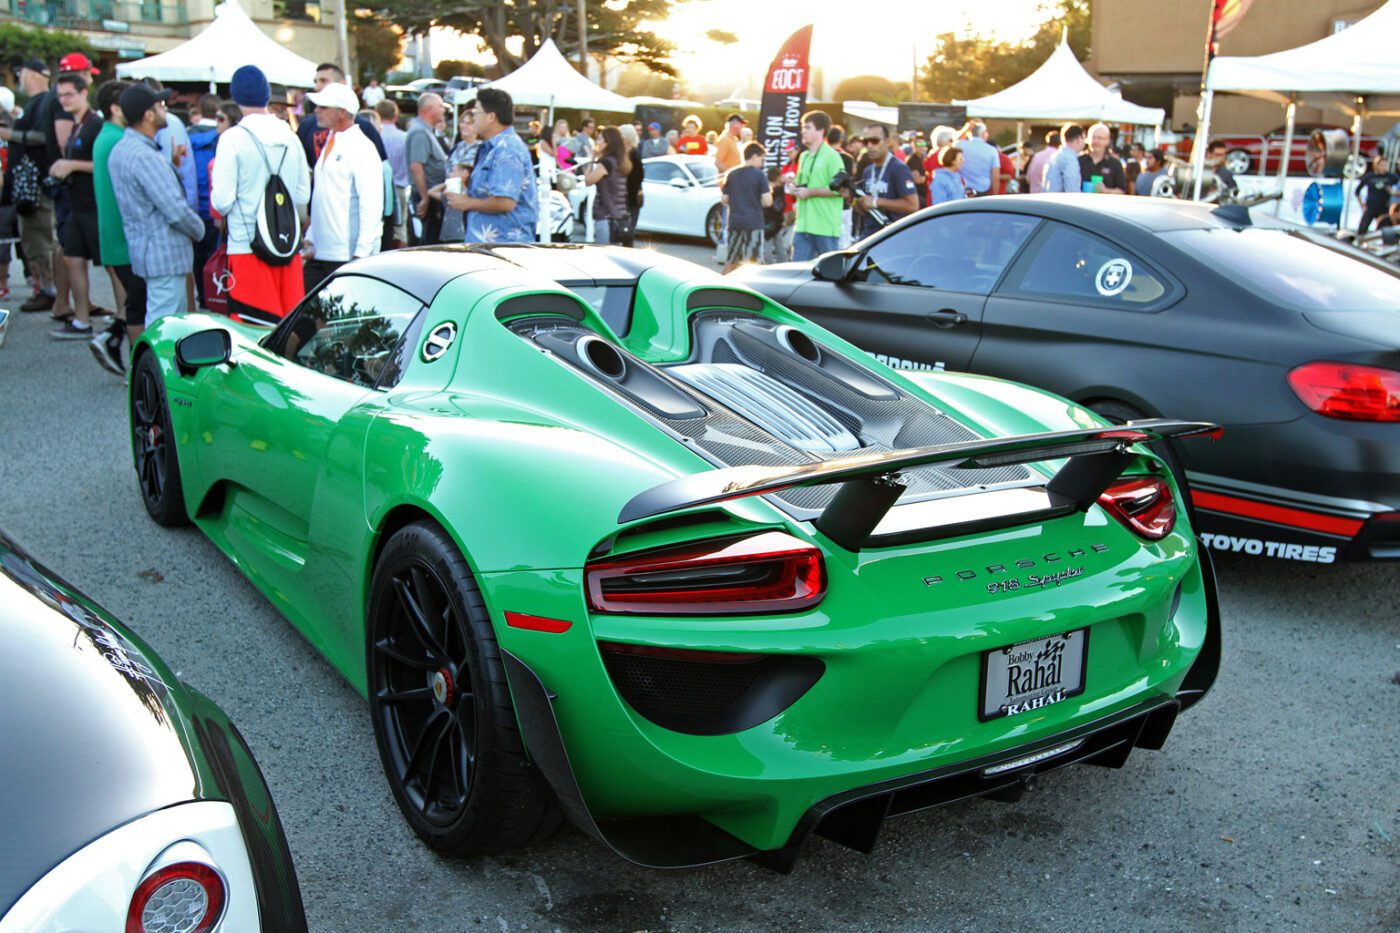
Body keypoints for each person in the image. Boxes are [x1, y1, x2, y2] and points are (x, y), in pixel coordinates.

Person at [209, 64, 311, 324]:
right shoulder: (290, 136)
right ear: (266, 96)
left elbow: (222, 202)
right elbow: (303, 195)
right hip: (286, 245)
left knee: (252, 330)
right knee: (287, 330)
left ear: (235, 96)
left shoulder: (233, 138)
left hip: (247, 246)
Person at [107, 83, 205, 325]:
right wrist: (199, 229)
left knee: (163, 321)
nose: (165, 110)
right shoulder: (144, 155)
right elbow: (175, 210)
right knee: (164, 326)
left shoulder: (124, 149)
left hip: (149, 250)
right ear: (148, 115)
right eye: (159, 106)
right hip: (163, 254)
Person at [301, 82, 382, 291]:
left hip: (346, 255)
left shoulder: (362, 147)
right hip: (322, 252)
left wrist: (362, 253)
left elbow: (371, 203)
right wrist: (311, 237)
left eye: (323, 107)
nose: (316, 110)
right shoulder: (332, 140)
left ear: (342, 112)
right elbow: (322, 195)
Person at [46, 73, 104, 340]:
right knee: (71, 259)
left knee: (112, 265)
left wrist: (72, 165)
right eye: (60, 95)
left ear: (83, 93)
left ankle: (125, 318)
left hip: (93, 205)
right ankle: (82, 320)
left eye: (68, 94)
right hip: (76, 204)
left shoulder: (96, 124)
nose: (63, 100)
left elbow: (105, 165)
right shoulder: (78, 125)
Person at [0, 60, 59, 312]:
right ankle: (45, 290)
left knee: (42, 240)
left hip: (37, 188)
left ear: (33, 74)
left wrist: (11, 135)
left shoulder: (45, 102)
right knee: (33, 241)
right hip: (27, 188)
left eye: (21, 72)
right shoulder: (36, 103)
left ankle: (51, 292)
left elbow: (45, 137)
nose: (19, 78)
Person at [445, 87, 537, 244]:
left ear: (491, 117)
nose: (473, 117)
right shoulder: (493, 147)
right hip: (490, 245)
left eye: (476, 111)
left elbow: (506, 202)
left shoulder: (507, 149)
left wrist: (467, 203)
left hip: (503, 246)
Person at [90, 79, 135, 373]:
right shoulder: (118, 139)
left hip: (113, 232)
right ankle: (115, 341)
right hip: (124, 234)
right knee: (136, 303)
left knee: (131, 301)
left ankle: (112, 339)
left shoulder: (106, 135)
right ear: (116, 108)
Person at [296, 62, 386, 168]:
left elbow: (381, 169)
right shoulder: (306, 126)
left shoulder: (364, 128)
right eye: (316, 82)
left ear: (342, 84)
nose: (317, 87)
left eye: (323, 81)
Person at [790, 110, 843, 261]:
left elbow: (840, 189)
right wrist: (794, 186)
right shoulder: (803, 156)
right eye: (802, 127)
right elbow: (802, 184)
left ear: (821, 131)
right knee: (797, 271)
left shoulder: (832, 156)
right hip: (802, 225)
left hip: (824, 226)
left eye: (807, 127)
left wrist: (810, 192)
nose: (803, 131)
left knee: (831, 271)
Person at [854, 124, 918, 239]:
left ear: (887, 141)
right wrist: (851, 200)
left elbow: (913, 205)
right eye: (865, 142)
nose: (869, 146)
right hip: (870, 236)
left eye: (875, 141)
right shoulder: (868, 171)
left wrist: (877, 201)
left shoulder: (898, 168)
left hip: (892, 236)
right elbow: (866, 210)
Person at [721, 142, 771, 273]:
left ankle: (721, 283)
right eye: (761, 159)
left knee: (732, 260)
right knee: (753, 262)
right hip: (753, 222)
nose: (761, 163)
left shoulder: (732, 174)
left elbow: (724, 199)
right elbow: (767, 201)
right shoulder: (759, 175)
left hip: (735, 222)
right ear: (754, 156)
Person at [406, 92, 448, 244]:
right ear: (429, 109)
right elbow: (416, 166)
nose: (443, 110)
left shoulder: (426, 130)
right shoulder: (420, 132)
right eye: (440, 106)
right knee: (427, 242)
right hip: (427, 198)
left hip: (431, 196)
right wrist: (424, 198)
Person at [582, 125, 631, 245]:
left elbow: (588, 181)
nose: (597, 142)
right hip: (620, 214)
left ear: (608, 142)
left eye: (600, 139)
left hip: (606, 215)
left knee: (603, 251)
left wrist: (592, 159)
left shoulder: (606, 163)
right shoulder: (621, 161)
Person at [376, 99, 409, 247]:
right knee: (400, 231)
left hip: (380, 190)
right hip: (400, 187)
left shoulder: (376, 135)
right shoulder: (404, 137)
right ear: (395, 116)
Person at [1078, 123, 1126, 194]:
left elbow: (1121, 191)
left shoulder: (1115, 164)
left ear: (1107, 140)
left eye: (1100, 138)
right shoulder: (1079, 160)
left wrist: (1106, 191)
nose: (1096, 141)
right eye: (1093, 137)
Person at [955, 121, 1000, 197]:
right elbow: (995, 177)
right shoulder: (992, 150)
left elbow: (955, 141)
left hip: (962, 190)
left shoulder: (959, 145)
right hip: (982, 191)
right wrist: (995, 196)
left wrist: (967, 129)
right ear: (983, 134)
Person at [1354, 156, 1397, 234]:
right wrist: (1362, 205)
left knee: (1385, 231)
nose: (1384, 168)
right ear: (1376, 166)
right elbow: (1357, 191)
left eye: (1385, 165)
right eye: (1382, 165)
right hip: (1370, 208)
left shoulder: (1391, 177)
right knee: (1361, 230)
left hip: (1384, 209)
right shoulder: (1369, 176)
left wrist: (1393, 192)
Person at [619, 122, 644, 247]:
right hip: (625, 199)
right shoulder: (625, 154)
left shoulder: (634, 156)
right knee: (624, 232)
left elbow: (636, 179)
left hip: (630, 200)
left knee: (627, 232)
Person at [1045, 123, 1086, 193]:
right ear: (1078, 139)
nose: (1085, 142)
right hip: (1061, 199)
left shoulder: (1056, 155)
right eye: (1084, 138)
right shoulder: (1069, 159)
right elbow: (1072, 190)